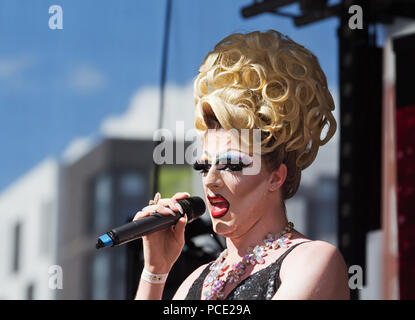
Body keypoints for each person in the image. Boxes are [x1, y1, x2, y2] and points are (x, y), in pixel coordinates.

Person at [134, 30, 350, 300]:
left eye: (232, 165)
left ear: (276, 176)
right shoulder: (194, 283)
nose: (210, 180)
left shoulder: (312, 261)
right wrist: (155, 271)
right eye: (204, 167)